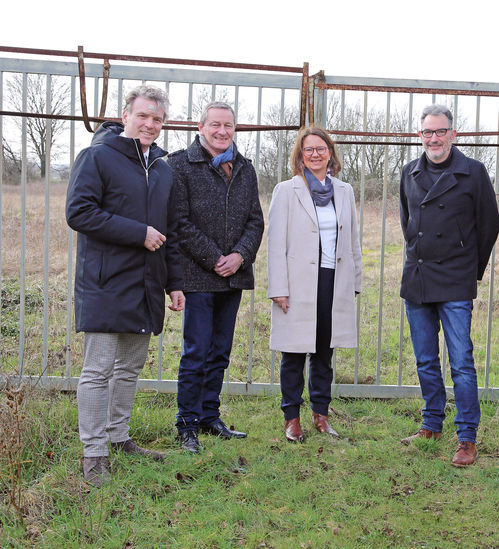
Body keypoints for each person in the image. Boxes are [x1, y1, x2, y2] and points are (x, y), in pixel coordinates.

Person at [66, 85, 184, 487]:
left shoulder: (164, 169)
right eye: (143, 116)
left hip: (147, 284)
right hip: (105, 281)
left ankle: (118, 437)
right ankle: (93, 453)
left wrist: (174, 284)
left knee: (130, 368)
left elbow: (168, 232)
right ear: (125, 115)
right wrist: (138, 233)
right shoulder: (97, 157)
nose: (150, 124)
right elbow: (79, 212)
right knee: (98, 370)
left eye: (157, 119)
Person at [399, 104, 499, 467]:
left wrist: (471, 269)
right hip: (418, 278)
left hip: (456, 280)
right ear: (420, 135)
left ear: (453, 135)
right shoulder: (409, 172)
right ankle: (431, 424)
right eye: (427, 132)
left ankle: (467, 437)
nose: (434, 138)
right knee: (426, 359)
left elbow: (489, 225)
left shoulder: (473, 172)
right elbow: (408, 222)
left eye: (440, 132)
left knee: (461, 362)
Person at [168, 102, 264, 453]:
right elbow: (178, 222)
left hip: (232, 278)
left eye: (228, 126)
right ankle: (187, 424)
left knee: (220, 352)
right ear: (201, 126)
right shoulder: (180, 165)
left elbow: (255, 220)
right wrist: (214, 258)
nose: (222, 131)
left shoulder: (245, 168)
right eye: (215, 125)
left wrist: (239, 256)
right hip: (197, 276)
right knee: (196, 352)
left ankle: (209, 417)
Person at [267, 126, 362, 442]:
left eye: (321, 148)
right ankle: (291, 418)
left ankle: (321, 415)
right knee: (293, 353)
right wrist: (279, 287)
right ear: (300, 155)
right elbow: (276, 243)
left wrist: (354, 283)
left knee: (325, 352)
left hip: (333, 283)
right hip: (298, 285)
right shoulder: (287, 191)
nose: (316, 154)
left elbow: (352, 242)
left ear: (331, 153)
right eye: (309, 149)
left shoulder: (344, 191)